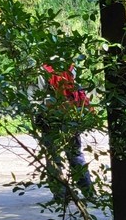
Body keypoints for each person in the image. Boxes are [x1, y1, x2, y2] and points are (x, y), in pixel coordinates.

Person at [36, 64, 94, 199]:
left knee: (53, 157)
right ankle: (88, 191)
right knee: (75, 154)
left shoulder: (43, 70)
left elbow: (38, 98)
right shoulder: (70, 66)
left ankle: (61, 195)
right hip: (70, 118)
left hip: (50, 120)